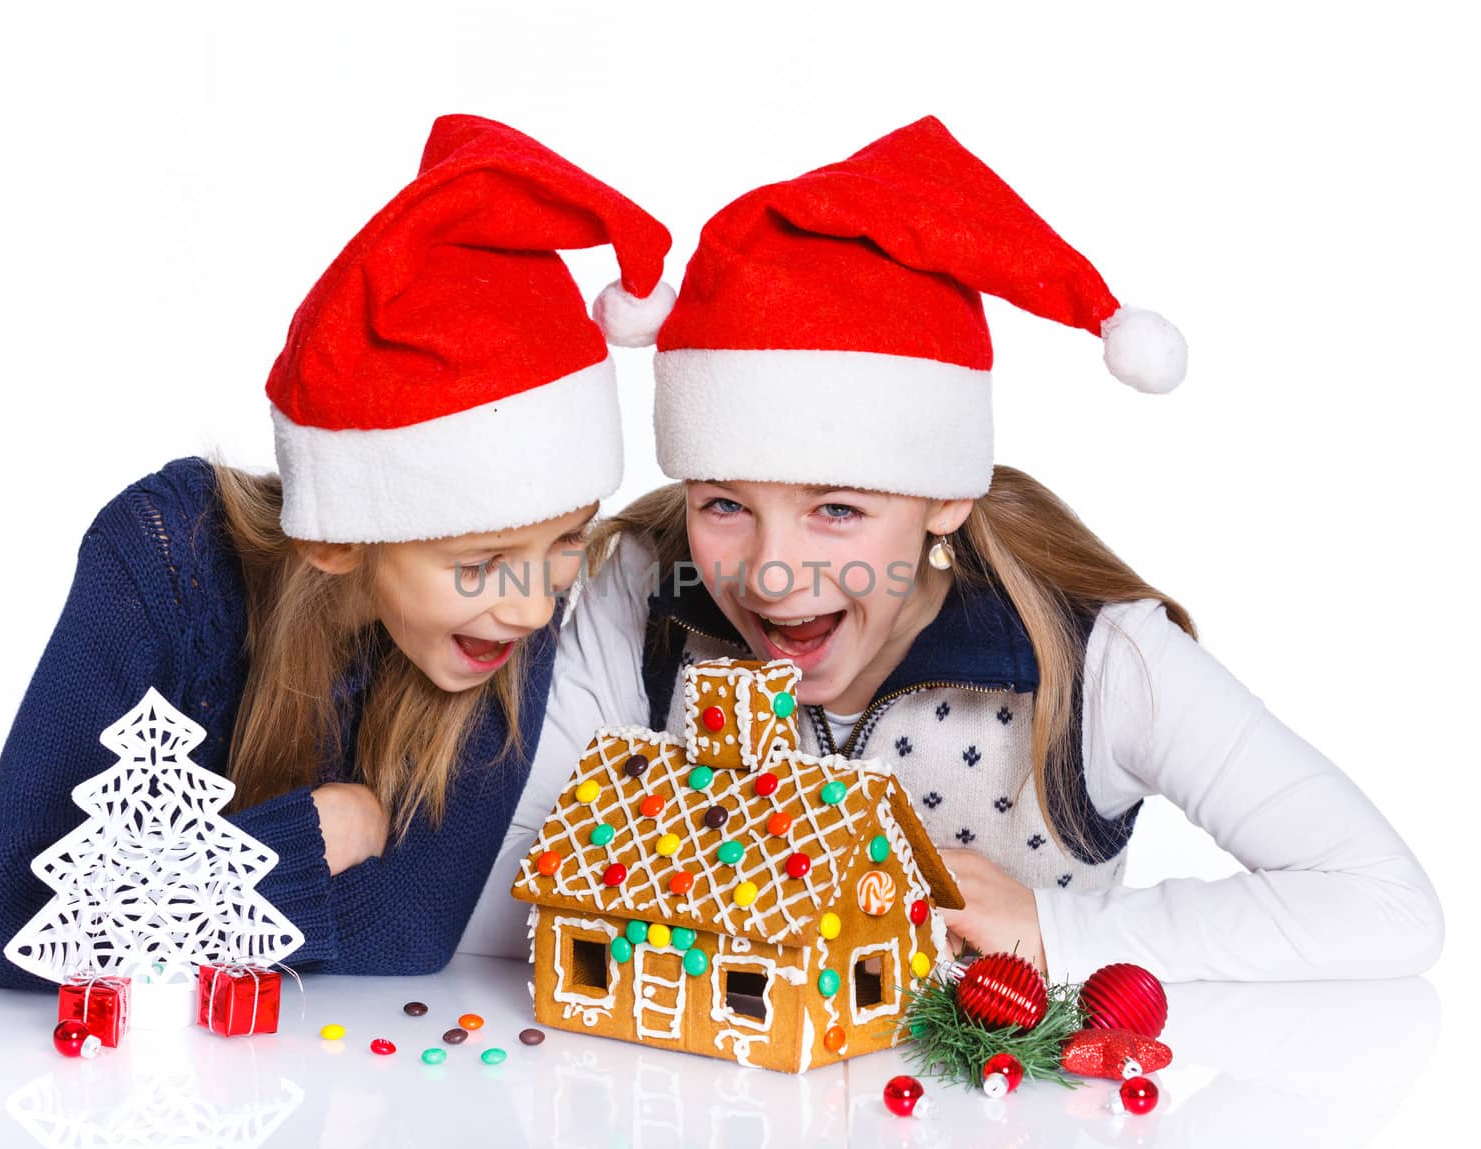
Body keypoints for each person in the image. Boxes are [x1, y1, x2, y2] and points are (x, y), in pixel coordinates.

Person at [465, 116, 1443, 982]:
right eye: (722, 503)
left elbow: (1383, 905)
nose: (767, 572)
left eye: (836, 511)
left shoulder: (1097, 661)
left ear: (943, 499)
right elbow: (486, 894)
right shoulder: (639, 597)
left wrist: (1057, 932)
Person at [0, 114, 675, 986]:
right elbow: (19, 930)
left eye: (568, 537)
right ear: (340, 538)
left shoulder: (506, 615)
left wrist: (118, 901)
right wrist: (314, 835)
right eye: (479, 560)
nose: (537, 604)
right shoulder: (162, 557)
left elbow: (414, 930)